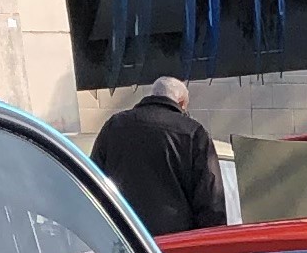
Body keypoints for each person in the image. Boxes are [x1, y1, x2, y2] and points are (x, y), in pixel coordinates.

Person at [91, 75, 223, 240]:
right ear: (181, 103)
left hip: (125, 239)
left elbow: (94, 180)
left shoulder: (114, 126)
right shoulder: (192, 133)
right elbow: (210, 198)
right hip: (175, 243)